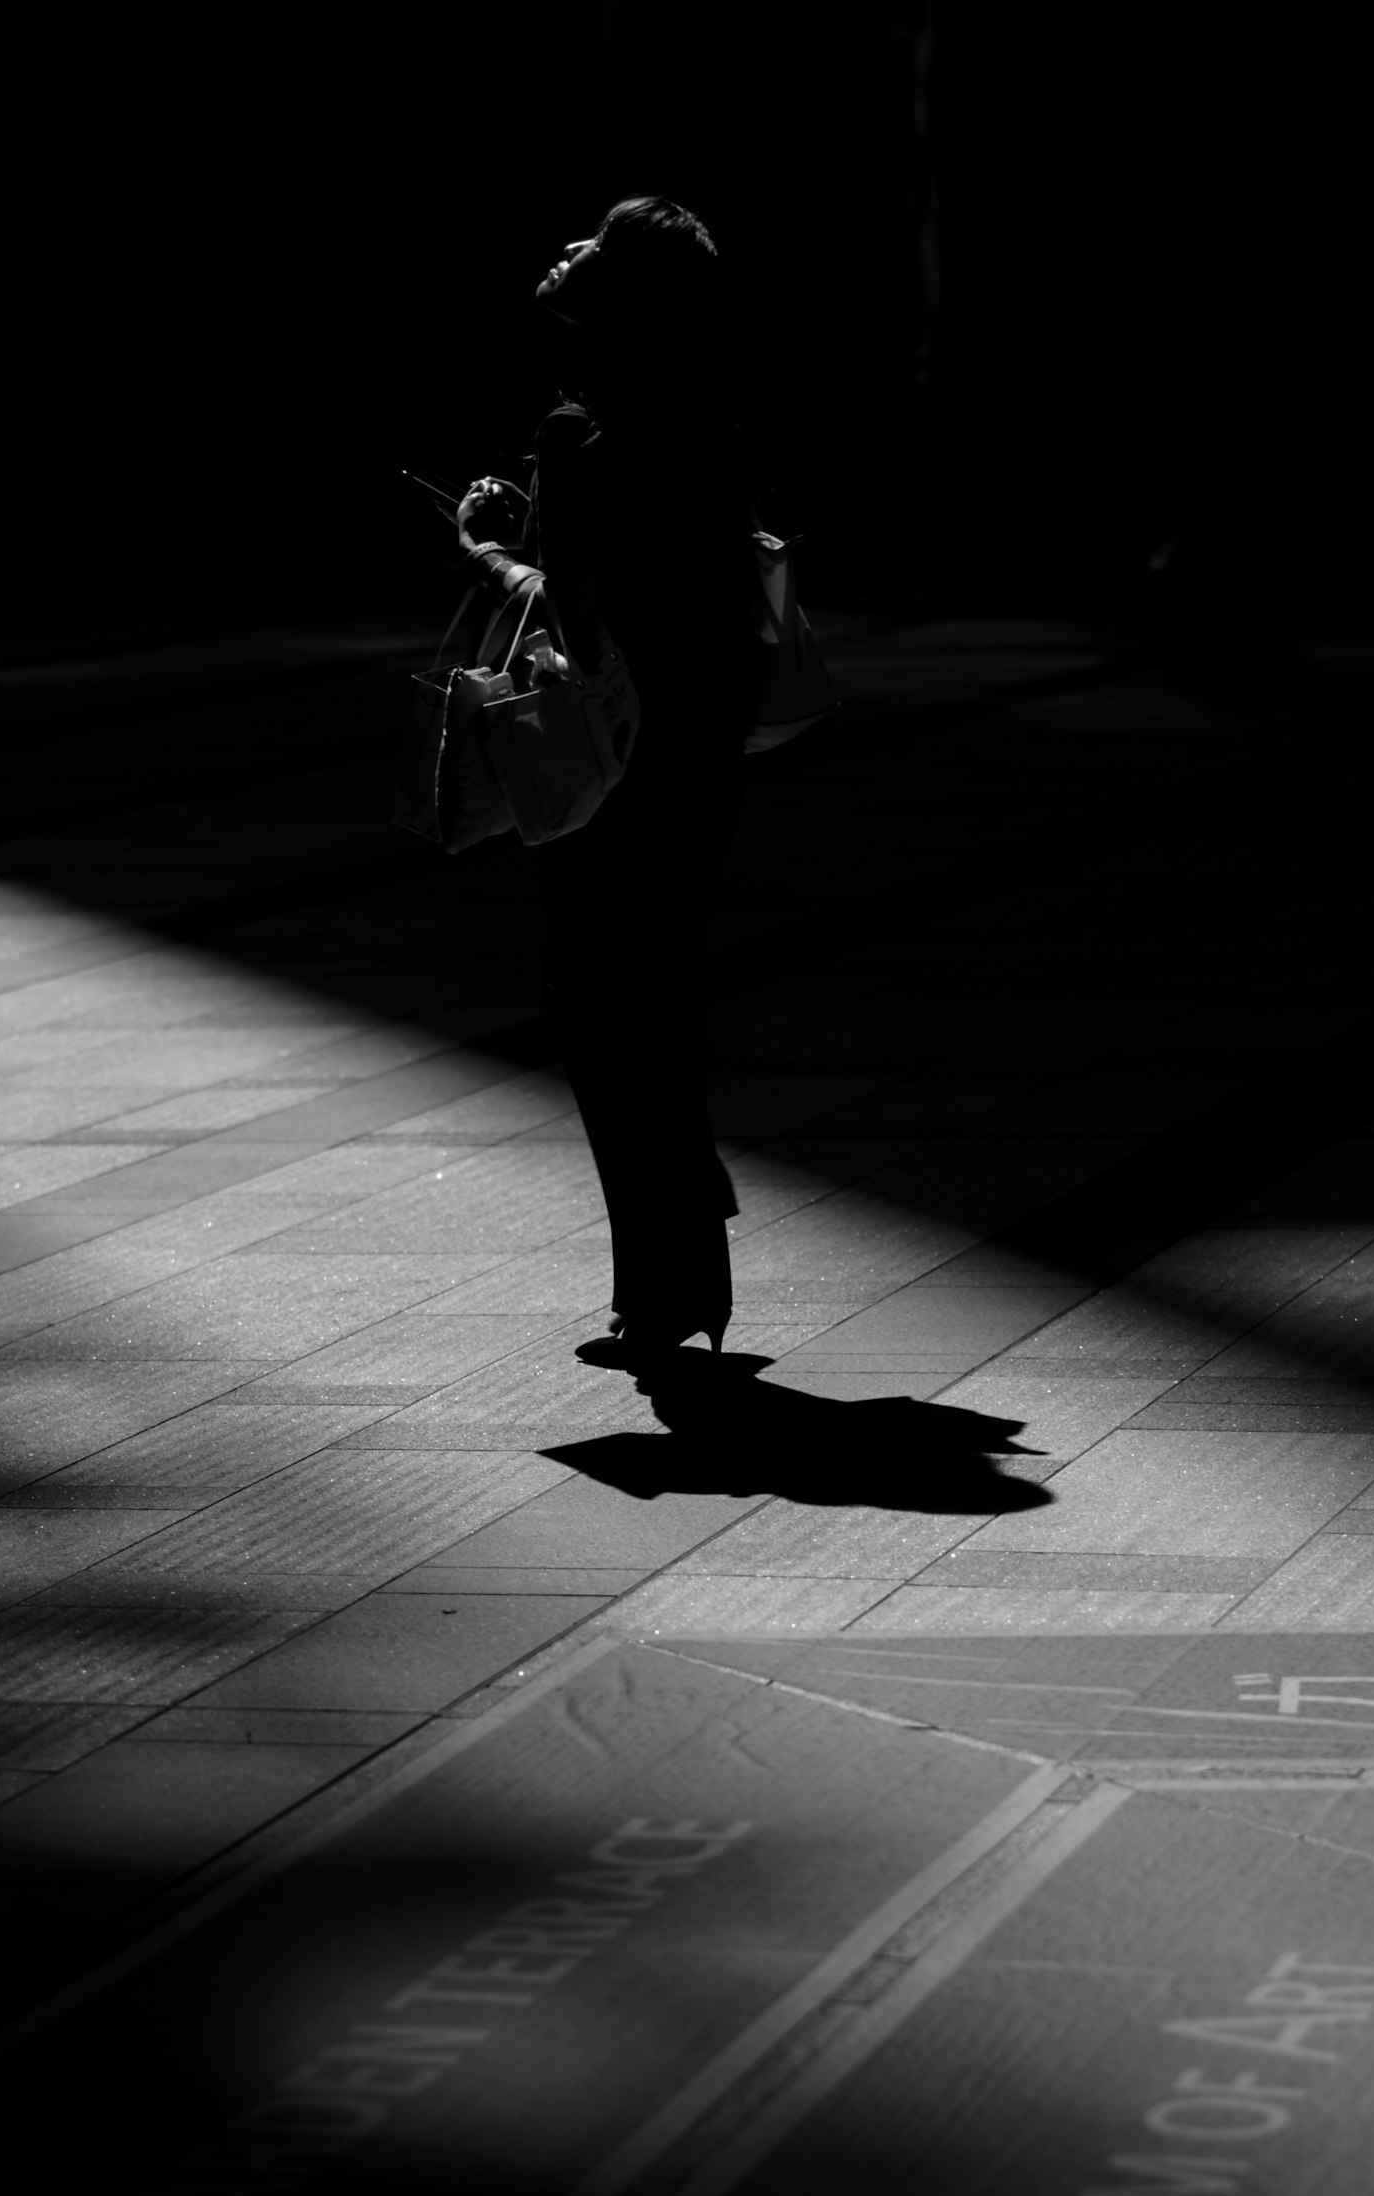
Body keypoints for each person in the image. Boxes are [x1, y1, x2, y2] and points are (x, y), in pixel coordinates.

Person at [443, 195, 767, 1365]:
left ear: (611, 300)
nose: (564, 247)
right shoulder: (703, 422)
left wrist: (486, 546)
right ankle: (677, 1267)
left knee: (598, 1001)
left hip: (616, 757)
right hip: (701, 740)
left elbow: (577, 618)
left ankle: (670, 1270)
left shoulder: (579, 435)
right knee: (659, 986)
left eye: (591, 244)